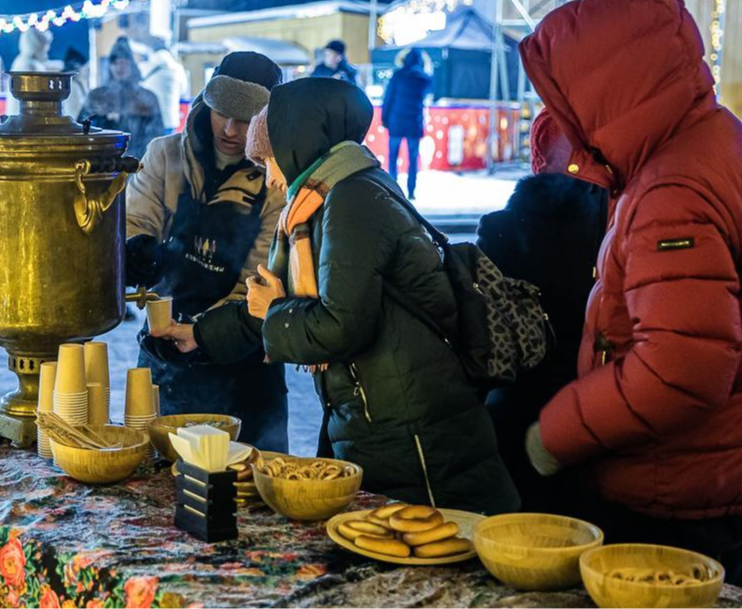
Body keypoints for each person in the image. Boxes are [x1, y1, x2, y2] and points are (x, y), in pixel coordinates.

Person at [519, 0, 742, 588]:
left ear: (605, 86)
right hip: (737, 456)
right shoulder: (710, 136)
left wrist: (556, 432)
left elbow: (680, 369)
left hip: (684, 477)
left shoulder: (671, 188)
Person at [243, 77, 520, 514]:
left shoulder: (352, 200)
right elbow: (280, 301)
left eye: (268, 160)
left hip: (415, 433)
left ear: (296, 143)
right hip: (387, 419)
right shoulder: (333, 196)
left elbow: (340, 326)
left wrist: (276, 311)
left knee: (438, 556)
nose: (271, 179)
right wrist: (196, 334)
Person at [124, 51, 289, 452]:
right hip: (165, 345)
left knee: (247, 476)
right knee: (157, 481)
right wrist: (135, 248)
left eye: (246, 120)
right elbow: (135, 217)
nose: (230, 130)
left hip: (244, 355)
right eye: (221, 112)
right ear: (204, 102)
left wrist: (205, 333)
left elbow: (262, 273)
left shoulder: (276, 179)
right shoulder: (166, 155)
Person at [478, 110, 608, 513]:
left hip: (516, 408)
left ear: (537, 159)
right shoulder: (615, 226)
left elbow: (483, 327)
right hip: (596, 408)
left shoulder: (501, 228)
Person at [79, 37, 165, 158]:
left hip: (139, 163)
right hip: (102, 162)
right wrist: (103, 118)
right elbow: (82, 130)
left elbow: (156, 135)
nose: (120, 67)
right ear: (109, 66)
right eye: (115, 63)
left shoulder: (147, 98)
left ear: (132, 65)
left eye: (124, 62)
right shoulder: (97, 96)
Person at [381, 48, 432, 200]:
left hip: (396, 122)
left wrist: (384, 119)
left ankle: (392, 188)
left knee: (393, 156)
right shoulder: (424, 78)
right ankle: (411, 190)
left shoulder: (397, 76)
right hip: (414, 123)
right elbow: (429, 93)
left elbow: (388, 98)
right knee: (413, 158)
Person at [5, 29, 61, 115]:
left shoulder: (22, 60)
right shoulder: (30, 65)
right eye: (45, 45)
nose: (47, 49)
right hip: (28, 118)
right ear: (38, 45)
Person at [142, 47, 188, 136]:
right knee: (167, 147)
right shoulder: (178, 69)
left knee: (149, 147)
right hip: (170, 119)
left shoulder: (145, 67)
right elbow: (183, 91)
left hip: (149, 118)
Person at [61, 47, 90, 121]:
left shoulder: (77, 85)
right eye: (86, 68)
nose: (88, 71)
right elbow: (73, 115)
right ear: (77, 67)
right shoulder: (72, 87)